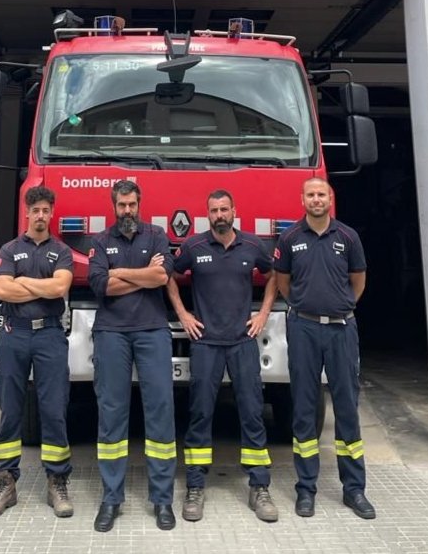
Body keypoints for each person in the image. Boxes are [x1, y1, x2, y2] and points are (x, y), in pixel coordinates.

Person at [167, 189, 278, 523]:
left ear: (234, 211)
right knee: (200, 413)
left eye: (224, 209)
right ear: (207, 214)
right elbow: (169, 277)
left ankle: (259, 486)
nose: (219, 215)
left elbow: (274, 276)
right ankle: (196, 486)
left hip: (243, 342)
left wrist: (263, 315)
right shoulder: (194, 247)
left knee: (252, 412)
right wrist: (183, 314)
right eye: (214, 210)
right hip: (206, 344)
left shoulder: (252, 245)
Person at [274, 177, 376, 520]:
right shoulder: (289, 238)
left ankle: (354, 489)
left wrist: (342, 305)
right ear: (302, 199)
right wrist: (303, 307)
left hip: (341, 329)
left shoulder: (348, 237)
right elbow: (283, 282)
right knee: (304, 408)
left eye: (321, 194)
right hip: (303, 328)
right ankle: (306, 490)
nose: (316, 199)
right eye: (310, 195)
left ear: (329, 199)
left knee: (347, 407)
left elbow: (358, 278)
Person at [88, 179, 176, 532]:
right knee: (111, 413)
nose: (127, 210)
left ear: (140, 205)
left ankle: (163, 500)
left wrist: (121, 272)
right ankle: (111, 499)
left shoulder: (156, 235)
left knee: (160, 411)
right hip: (111, 333)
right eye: (122, 205)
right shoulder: (100, 241)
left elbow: (162, 275)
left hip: (152, 330)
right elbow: (101, 285)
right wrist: (143, 276)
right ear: (114, 206)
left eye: (132, 205)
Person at [0, 186, 74, 520]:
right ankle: (5, 482)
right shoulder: (9, 249)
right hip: (14, 334)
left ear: (52, 213)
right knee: (10, 409)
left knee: (54, 409)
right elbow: (0, 289)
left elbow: (61, 288)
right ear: (27, 213)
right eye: (35, 210)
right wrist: (42, 286)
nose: (40, 215)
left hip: (49, 333)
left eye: (45, 210)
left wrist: (23, 283)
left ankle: (57, 481)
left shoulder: (61, 251)